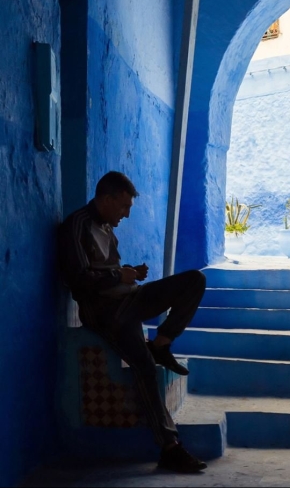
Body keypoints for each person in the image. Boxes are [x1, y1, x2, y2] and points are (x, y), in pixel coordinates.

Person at [57, 171, 208, 473]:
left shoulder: (107, 228)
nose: (126, 214)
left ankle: (161, 344)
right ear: (106, 199)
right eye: (123, 206)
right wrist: (118, 275)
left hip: (128, 299)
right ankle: (170, 448)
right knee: (145, 368)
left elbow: (107, 270)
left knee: (194, 280)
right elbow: (79, 280)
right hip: (104, 312)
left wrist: (129, 272)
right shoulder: (76, 225)